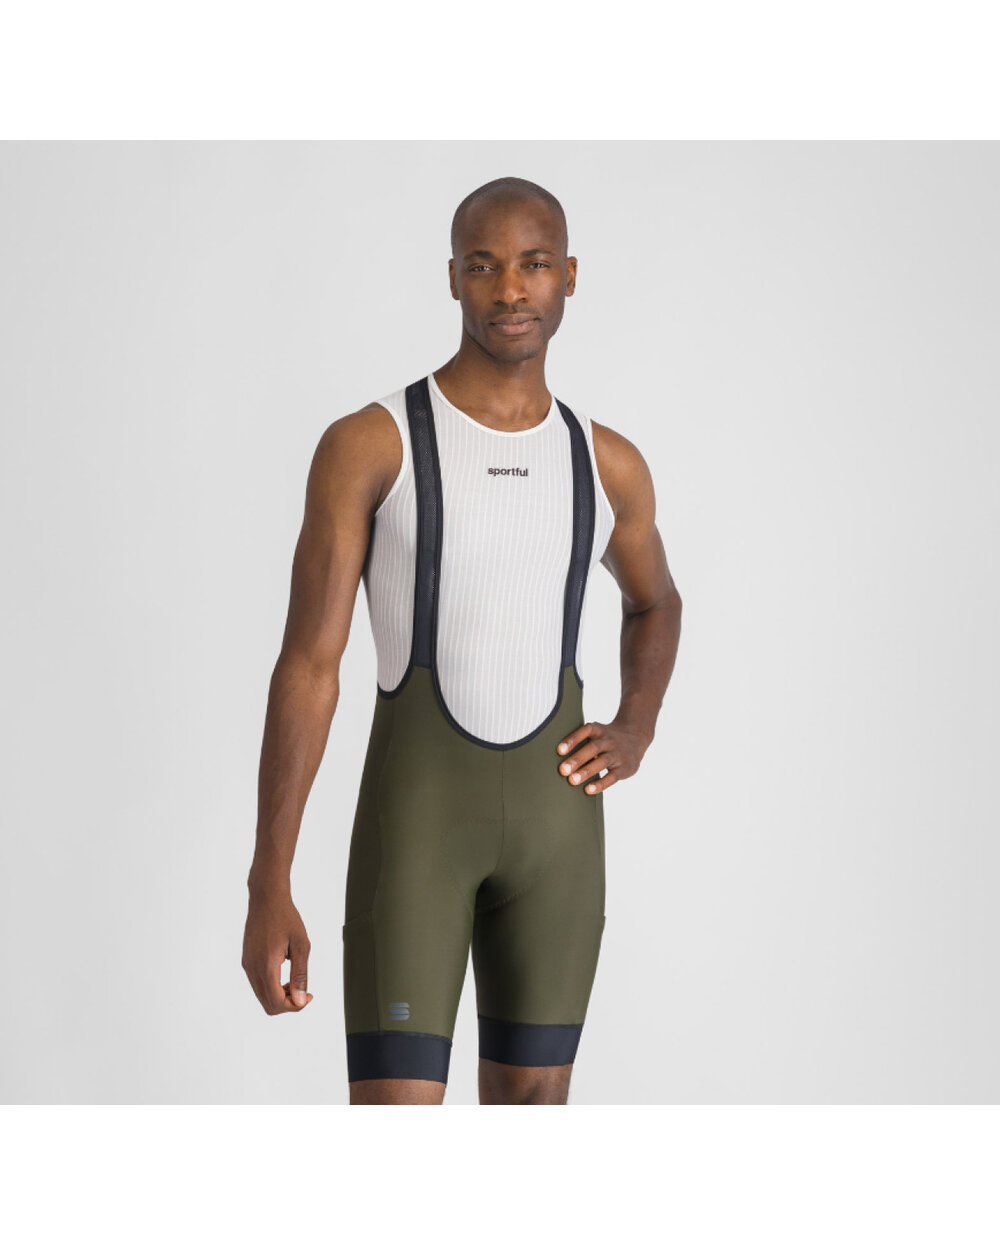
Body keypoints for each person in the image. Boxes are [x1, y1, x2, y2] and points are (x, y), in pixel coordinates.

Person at [241, 176, 682, 1105]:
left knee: (535, 1110)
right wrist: (268, 879)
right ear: (452, 279)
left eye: (532, 265)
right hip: (417, 831)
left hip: (559, 837)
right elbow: (308, 667)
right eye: (483, 266)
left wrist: (635, 726)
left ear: (569, 275)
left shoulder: (606, 462)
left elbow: (656, 603)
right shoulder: (372, 444)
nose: (510, 289)